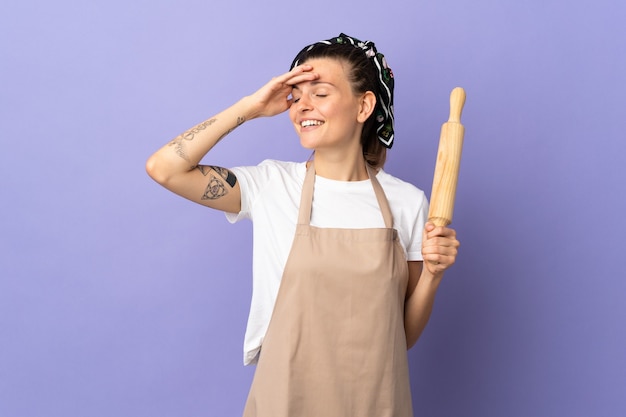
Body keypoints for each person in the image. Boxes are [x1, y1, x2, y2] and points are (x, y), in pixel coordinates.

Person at [146, 33, 459, 417]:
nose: (301, 106)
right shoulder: (271, 185)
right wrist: (250, 107)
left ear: (364, 106)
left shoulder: (407, 203)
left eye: (320, 93)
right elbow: (164, 168)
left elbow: (402, 336)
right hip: (286, 401)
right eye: (296, 94)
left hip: (376, 403)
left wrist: (433, 274)